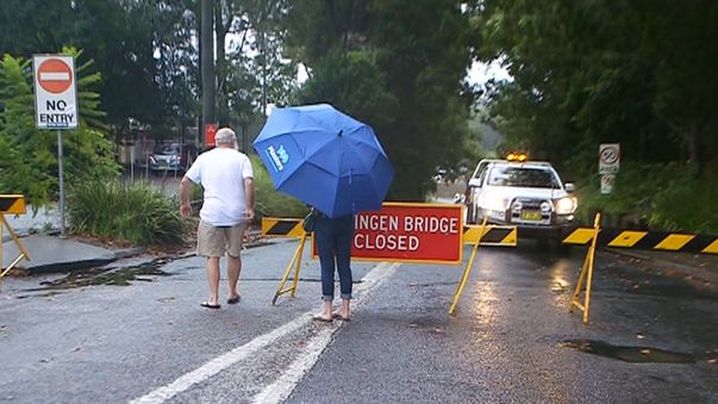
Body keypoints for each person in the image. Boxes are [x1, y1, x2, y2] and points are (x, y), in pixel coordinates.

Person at [179, 127, 254, 309]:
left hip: (211, 214)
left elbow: (185, 182)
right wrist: (249, 207)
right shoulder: (242, 158)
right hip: (236, 215)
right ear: (233, 141)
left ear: (216, 141)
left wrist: (185, 203)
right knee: (234, 254)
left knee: (212, 256)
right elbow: (249, 182)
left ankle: (213, 298)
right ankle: (232, 291)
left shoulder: (204, 158)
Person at [312, 209, 354, 322]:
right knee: (344, 265)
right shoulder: (349, 190)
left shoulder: (321, 190)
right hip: (346, 220)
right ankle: (345, 309)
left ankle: (327, 310)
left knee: (327, 266)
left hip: (325, 220)